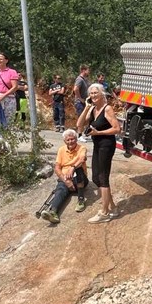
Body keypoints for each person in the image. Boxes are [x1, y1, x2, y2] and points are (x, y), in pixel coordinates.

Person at [77, 83, 121, 224]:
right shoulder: (93, 109)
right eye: (91, 93)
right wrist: (86, 107)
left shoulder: (107, 109)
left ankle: (104, 212)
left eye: (96, 93)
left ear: (102, 94)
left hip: (107, 145)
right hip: (98, 145)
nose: (93, 95)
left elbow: (117, 129)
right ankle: (113, 208)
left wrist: (99, 132)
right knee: (96, 177)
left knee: (103, 177)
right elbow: (79, 125)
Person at [39, 129, 88, 223]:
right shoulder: (61, 150)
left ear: (76, 139)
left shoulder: (82, 148)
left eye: (72, 139)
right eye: (68, 140)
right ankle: (53, 213)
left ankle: (81, 200)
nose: (70, 141)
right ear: (64, 141)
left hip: (80, 178)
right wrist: (66, 181)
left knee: (79, 169)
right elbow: (57, 168)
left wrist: (72, 167)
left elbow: (82, 159)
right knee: (61, 190)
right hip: (66, 178)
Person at [73, 64, 90, 141]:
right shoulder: (79, 79)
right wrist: (80, 98)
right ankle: (80, 136)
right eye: (87, 70)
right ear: (83, 70)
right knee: (81, 118)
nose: (89, 71)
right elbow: (75, 89)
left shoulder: (84, 79)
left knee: (86, 118)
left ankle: (83, 133)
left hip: (84, 102)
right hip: (79, 103)